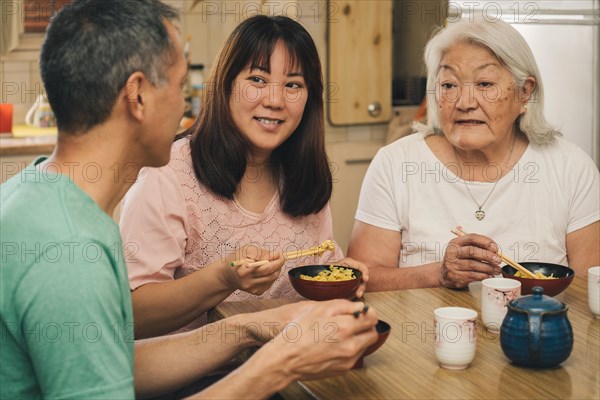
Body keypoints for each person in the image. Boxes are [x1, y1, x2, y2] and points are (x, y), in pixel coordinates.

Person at [0, 1, 378, 399]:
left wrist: (245, 328)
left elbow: (115, 365)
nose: (186, 106)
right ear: (138, 95)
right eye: (181, 86)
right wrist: (278, 364)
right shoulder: (69, 247)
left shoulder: (45, 201)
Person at [119, 15, 368, 339]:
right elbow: (132, 314)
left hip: (292, 368)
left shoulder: (303, 175)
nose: (275, 100)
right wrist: (224, 279)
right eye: (258, 80)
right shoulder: (168, 175)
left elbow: (318, 269)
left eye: (293, 84)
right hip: (199, 381)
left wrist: (345, 279)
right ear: (226, 84)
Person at [348, 17, 599, 291]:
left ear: (525, 93)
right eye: (449, 85)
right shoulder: (396, 164)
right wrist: (439, 274)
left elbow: (591, 285)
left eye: (485, 84)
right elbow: (362, 280)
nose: (464, 103)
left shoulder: (570, 167)